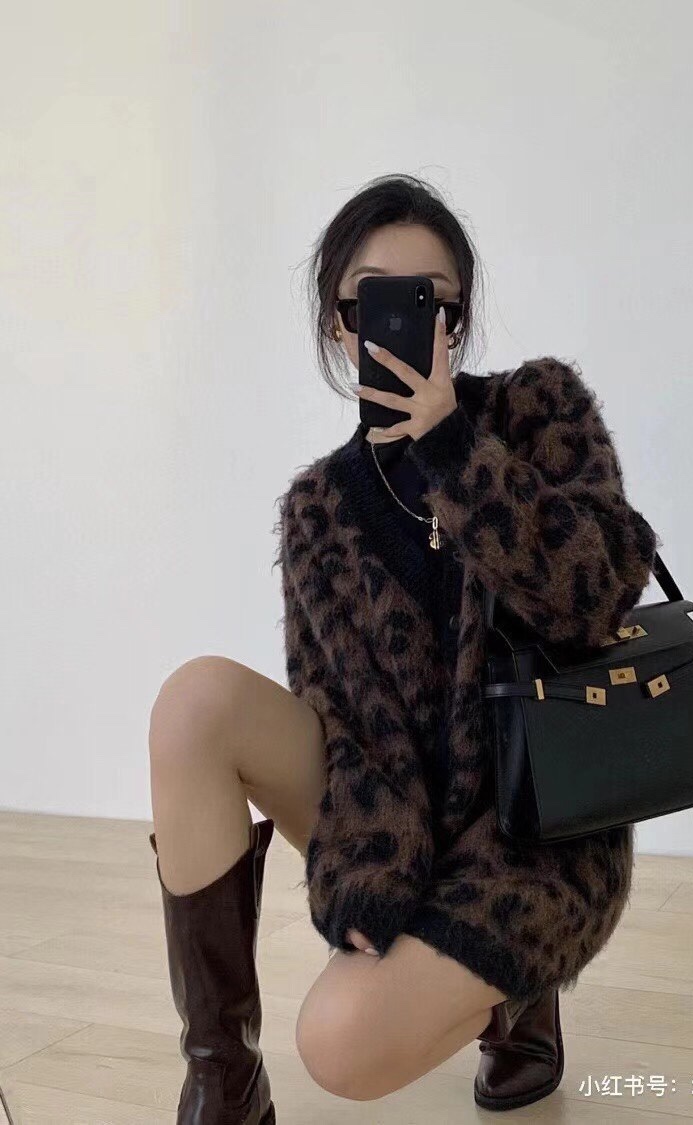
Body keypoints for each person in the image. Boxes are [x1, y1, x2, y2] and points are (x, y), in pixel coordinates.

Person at [147, 172, 660, 1122]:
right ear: (338, 324)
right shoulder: (318, 508)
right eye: (371, 301)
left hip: (539, 822)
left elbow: (593, 596)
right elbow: (342, 724)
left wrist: (455, 449)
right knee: (195, 701)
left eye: (430, 302)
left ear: (453, 323)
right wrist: (364, 882)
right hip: (402, 816)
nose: (399, 325)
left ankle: (519, 991)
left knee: (337, 1042)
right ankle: (222, 1078)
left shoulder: (537, 411)